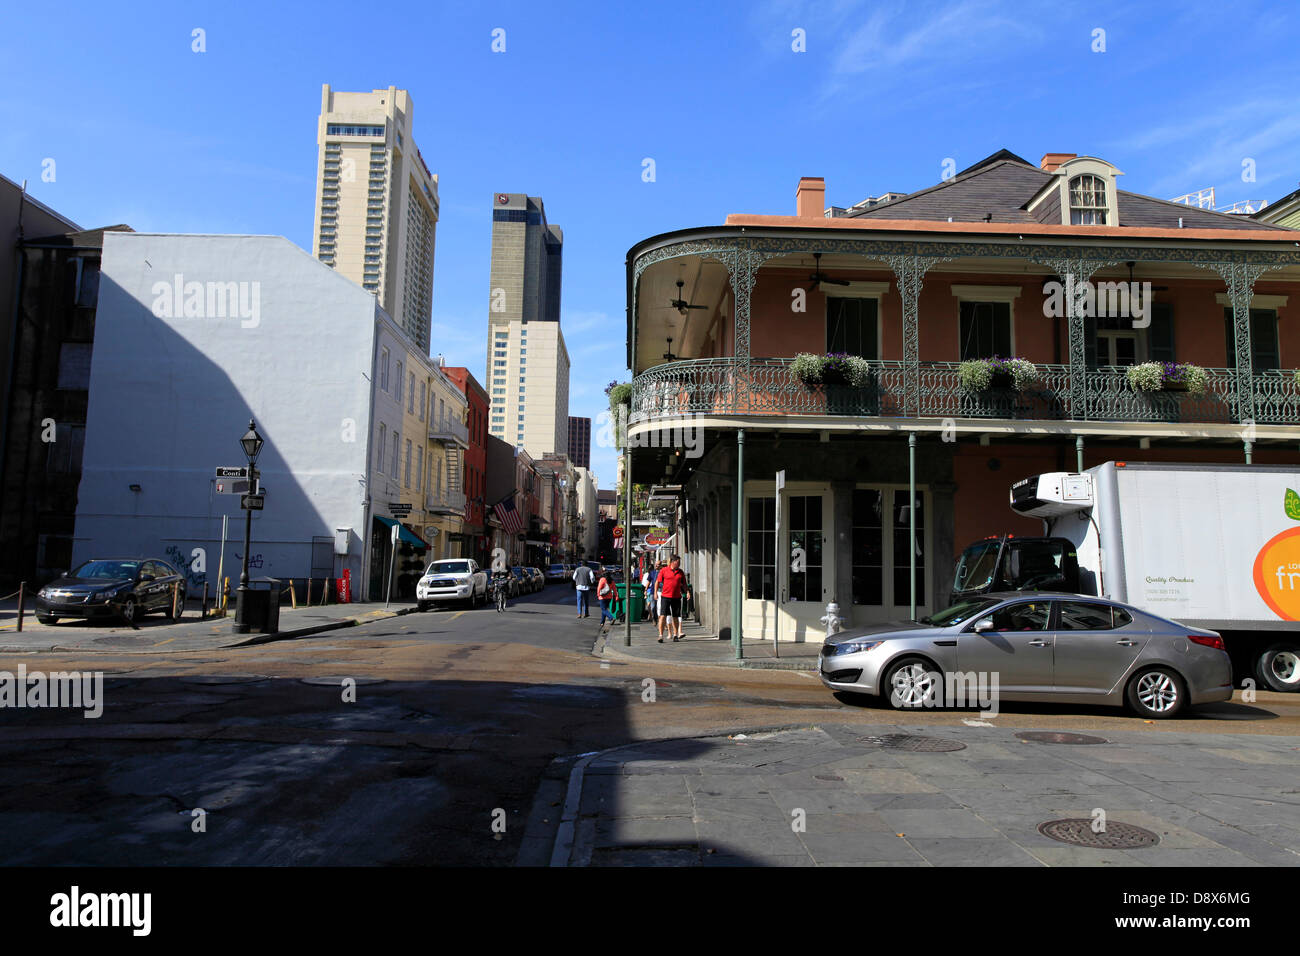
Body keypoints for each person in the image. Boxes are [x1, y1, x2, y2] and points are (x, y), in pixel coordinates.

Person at [657, 555, 691, 642]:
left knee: (675, 616)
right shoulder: (664, 570)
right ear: (673, 562)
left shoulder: (680, 572)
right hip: (665, 596)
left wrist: (687, 592)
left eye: (679, 562)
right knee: (663, 616)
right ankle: (660, 635)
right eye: (678, 562)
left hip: (676, 597)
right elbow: (658, 581)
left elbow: (684, 584)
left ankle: (675, 634)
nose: (679, 564)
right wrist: (655, 593)